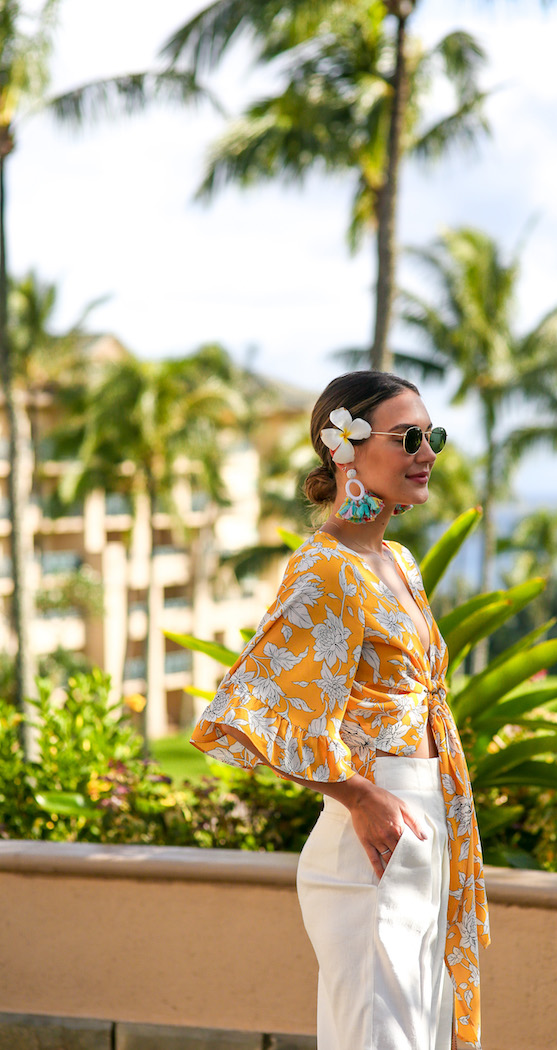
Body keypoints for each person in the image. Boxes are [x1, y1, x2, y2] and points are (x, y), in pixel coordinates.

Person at [190, 371, 490, 1050]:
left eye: (432, 435)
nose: (427, 452)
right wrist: (359, 796)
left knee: (419, 1036)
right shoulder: (325, 569)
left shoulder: (398, 562)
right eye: (408, 436)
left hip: (429, 824)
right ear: (343, 449)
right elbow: (251, 704)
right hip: (372, 841)